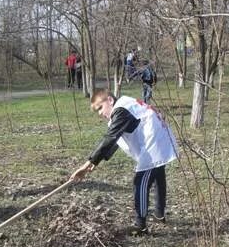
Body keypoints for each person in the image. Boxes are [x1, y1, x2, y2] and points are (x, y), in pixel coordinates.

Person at [70, 89, 178, 234]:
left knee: (140, 182)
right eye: (97, 112)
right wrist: (93, 164)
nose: (100, 114)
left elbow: (110, 138)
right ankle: (159, 214)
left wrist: (86, 164)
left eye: (100, 108)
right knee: (158, 175)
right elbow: (115, 140)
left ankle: (140, 226)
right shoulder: (125, 105)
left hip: (155, 144)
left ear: (110, 100)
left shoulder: (120, 109)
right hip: (161, 139)